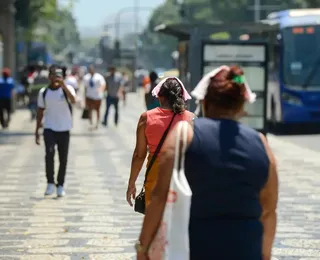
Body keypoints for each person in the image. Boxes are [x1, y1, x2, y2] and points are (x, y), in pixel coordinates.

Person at [135, 66, 279, 260]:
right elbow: (269, 210)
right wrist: (265, 255)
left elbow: (160, 197)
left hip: (195, 247)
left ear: (204, 100)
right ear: (242, 105)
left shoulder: (184, 135)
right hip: (245, 248)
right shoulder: (261, 143)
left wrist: (143, 247)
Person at [126, 77, 195, 208]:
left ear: (160, 97)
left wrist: (131, 183)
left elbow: (139, 155)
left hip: (155, 178)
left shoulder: (146, 118)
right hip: (182, 179)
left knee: (155, 223)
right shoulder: (191, 118)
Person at [35, 65, 76, 197]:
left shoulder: (67, 89)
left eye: (58, 75)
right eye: (53, 74)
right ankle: (50, 183)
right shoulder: (44, 92)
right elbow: (40, 111)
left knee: (63, 158)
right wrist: (36, 130)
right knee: (49, 154)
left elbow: (74, 100)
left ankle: (60, 185)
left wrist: (63, 85)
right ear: (49, 77)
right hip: (49, 128)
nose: (55, 78)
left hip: (64, 129)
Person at [83, 65, 106, 129]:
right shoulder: (86, 77)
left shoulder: (99, 77)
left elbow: (103, 84)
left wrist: (101, 89)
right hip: (89, 96)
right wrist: (84, 97)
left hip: (97, 97)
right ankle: (91, 122)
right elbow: (85, 87)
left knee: (97, 110)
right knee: (89, 109)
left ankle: (97, 123)